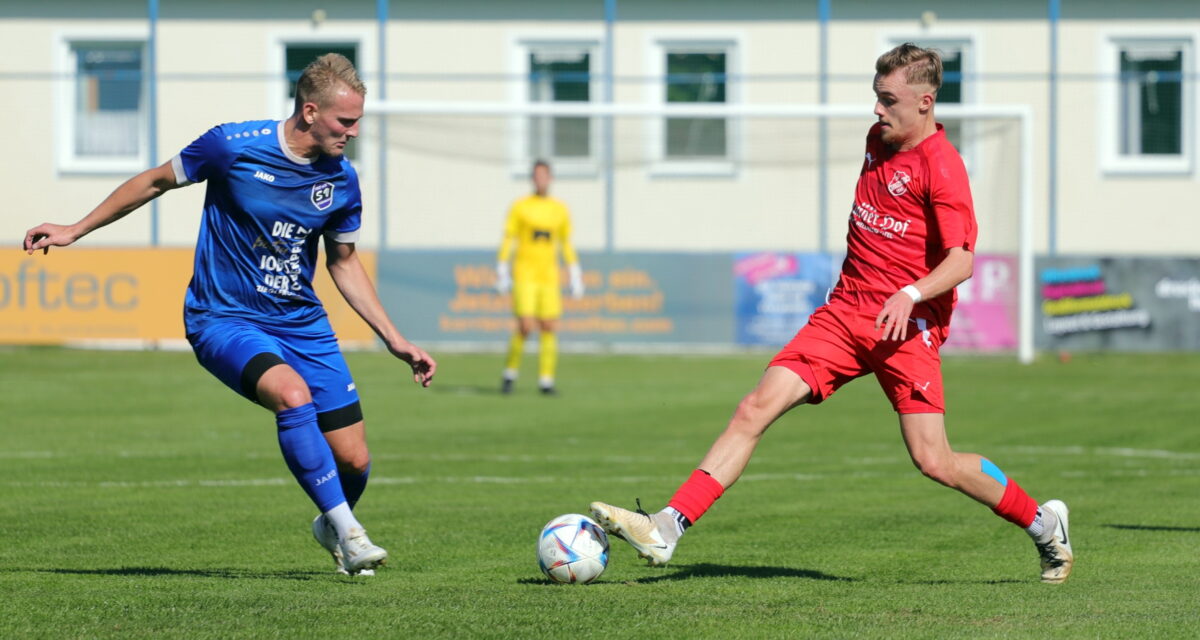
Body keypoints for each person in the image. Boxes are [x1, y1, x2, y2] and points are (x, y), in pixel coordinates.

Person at [590, 43, 1074, 584]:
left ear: (925, 101)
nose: (876, 111)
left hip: (905, 327)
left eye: (888, 100)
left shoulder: (943, 167)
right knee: (755, 407)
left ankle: (1044, 522)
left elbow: (961, 260)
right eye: (875, 97)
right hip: (844, 313)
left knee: (933, 459)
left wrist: (910, 294)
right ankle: (667, 527)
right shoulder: (879, 139)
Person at [23, 53, 436, 576]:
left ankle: (331, 519)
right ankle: (351, 535)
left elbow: (344, 263)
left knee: (354, 460)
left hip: (302, 324)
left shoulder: (343, 180)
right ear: (309, 112)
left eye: (357, 122)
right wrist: (73, 230)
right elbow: (154, 182)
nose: (354, 132)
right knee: (292, 395)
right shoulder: (232, 146)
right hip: (223, 317)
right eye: (345, 121)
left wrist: (393, 339)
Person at [495, 160, 584, 395]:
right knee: (525, 325)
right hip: (525, 273)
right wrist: (502, 266)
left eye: (544, 175)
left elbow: (565, 243)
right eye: (536, 176)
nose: (540, 180)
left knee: (548, 326)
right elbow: (509, 237)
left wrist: (574, 272)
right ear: (532, 179)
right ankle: (510, 373)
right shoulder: (520, 206)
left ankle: (546, 380)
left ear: (550, 178)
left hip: (548, 275)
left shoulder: (559, 208)